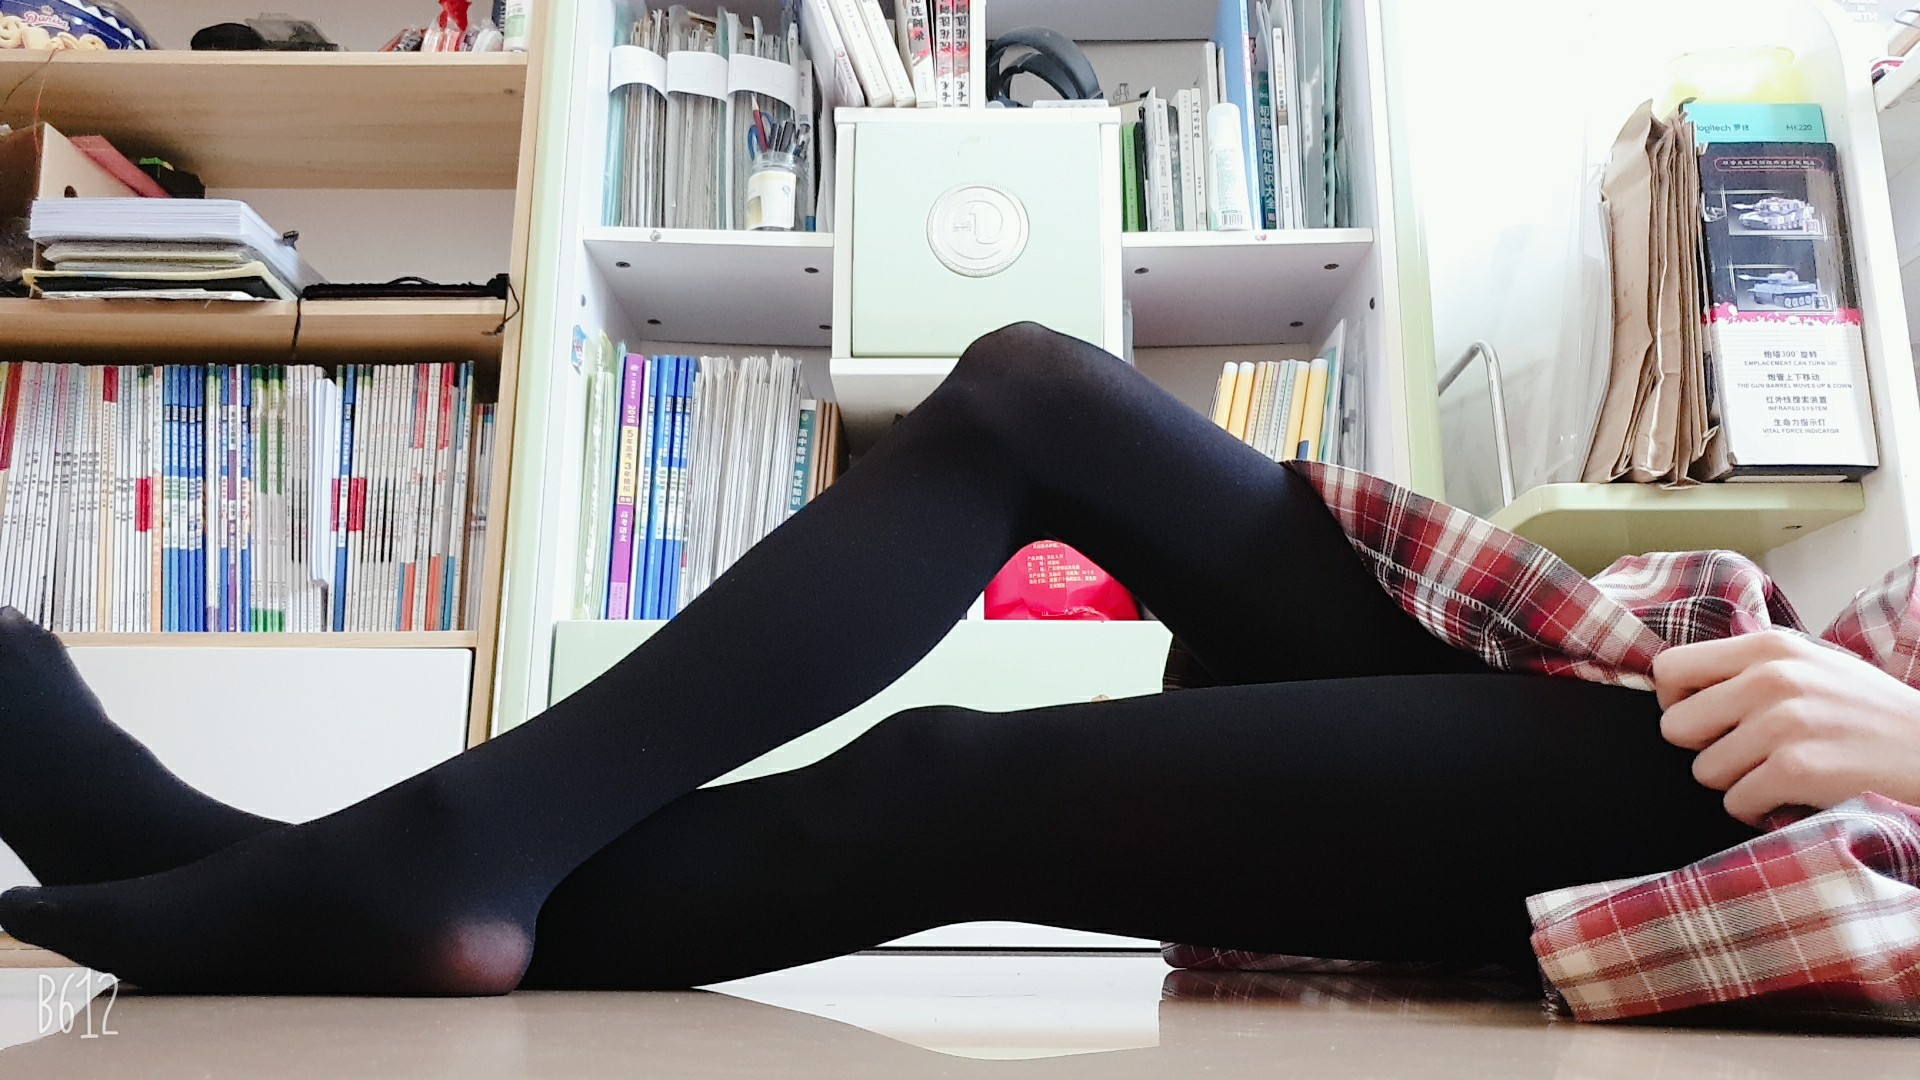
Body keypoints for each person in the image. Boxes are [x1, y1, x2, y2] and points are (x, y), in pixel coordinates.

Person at [0, 323, 1917, 996]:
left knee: (955, 787)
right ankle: (413, 864)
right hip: (1714, 707)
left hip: (1820, 839)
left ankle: (357, 883)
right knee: (1034, 398)